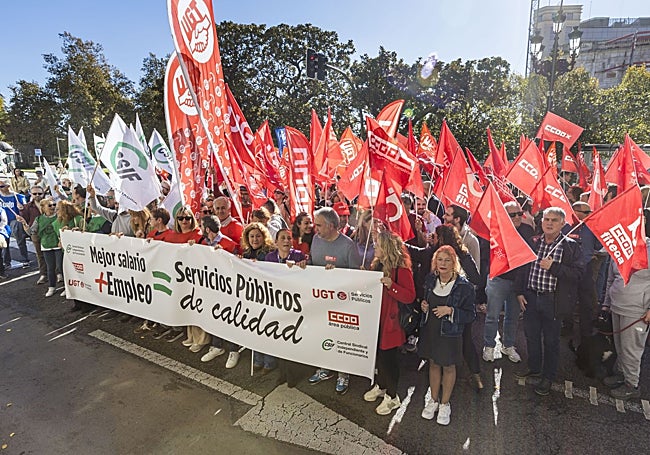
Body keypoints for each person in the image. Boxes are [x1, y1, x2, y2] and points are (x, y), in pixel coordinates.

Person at [514, 207, 583, 396]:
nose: (549, 223)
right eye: (546, 219)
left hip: (552, 301)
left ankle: (548, 377)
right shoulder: (534, 242)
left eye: (554, 220)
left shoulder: (570, 246)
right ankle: (534, 367)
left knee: (551, 341)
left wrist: (554, 267)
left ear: (562, 223)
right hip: (530, 297)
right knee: (531, 337)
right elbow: (522, 267)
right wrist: (519, 292)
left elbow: (577, 275)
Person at [419, 246, 476, 425]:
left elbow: (471, 314)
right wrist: (424, 306)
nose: (442, 264)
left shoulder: (464, 286)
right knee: (434, 364)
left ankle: (445, 403)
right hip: (431, 330)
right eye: (439, 260)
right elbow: (425, 300)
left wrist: (450, 310)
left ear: (454, 263)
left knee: (449, 367)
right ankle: (434, 399)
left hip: (450, 334)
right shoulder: (430, 280)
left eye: (447, 260)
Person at [308, 207, 362, 394]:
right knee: (322, 335)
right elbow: (312, 266)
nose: (316, 229)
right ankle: (324, 368)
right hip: (320, 300)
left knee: (341, 338)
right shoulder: (316, 240)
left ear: (331, 226)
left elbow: (357, 277)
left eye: (319, 225)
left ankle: (343, 373)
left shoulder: (348, 246)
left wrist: (338, 275)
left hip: (342, 303)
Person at [363, 231, 415, 415]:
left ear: (386, 247)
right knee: (380, 357)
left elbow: (409, 296)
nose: (374, 247)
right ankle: (382, 386)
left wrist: (391, 285)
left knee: (389, 359)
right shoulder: (377, 264)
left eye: (377, 245)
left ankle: (393, 397)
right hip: (376, 319)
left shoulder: (401, 268)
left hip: (390, 323)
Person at [483, 201, 534, 364]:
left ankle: (508, 345)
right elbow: (485, 254)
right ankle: (489, 346)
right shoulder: (495, 230)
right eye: (513, 215)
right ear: (504, 217)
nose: (518, 217)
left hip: (518, 282)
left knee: (512, 317)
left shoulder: (527, 230)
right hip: (498, 279)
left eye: (520, 214)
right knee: (492, 315)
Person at [601, 236, 650, 400]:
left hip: (637, 310)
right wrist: (606, 304)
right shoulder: (618, 249)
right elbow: (610, 278)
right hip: (617, 305)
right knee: (620, 346)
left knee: (631, 349)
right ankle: (622, 375)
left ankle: (631, 385)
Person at [265, 228, 307, 387]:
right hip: (276, 302)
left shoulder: (298, 256)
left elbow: (306, 276)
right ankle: (282, 373)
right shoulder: (269, 257)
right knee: (278, 339)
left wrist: (303, 266)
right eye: (282, 238)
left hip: (293, 304)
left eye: (289, 238)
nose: (286, 241)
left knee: (291, 338)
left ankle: (292, 375)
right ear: (276, 242)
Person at [197, 215, 239, 366]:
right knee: (213, 316)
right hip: (210, 286)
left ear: (207, 229)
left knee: (229, 317)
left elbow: (238, 267)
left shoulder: (229, 244)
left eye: (201, 226)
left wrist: (224, 256)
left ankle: (233, 350)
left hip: (227, 289)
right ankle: (217, 346)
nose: (200, 229)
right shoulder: (201, 243)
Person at [20, 185, 48, 283]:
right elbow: (25, 220)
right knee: (40, 255)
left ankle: (57, 273)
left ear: (43, 193)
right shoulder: (27, 206)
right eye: (34, 193)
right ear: (31, 194)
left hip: (49, 232)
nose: (37, 195)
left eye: (39, 193)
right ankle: (43, 274)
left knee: (53, 253)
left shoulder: (50, 203)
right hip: (35, 233)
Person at [443, 204, 480, 272]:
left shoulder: (471, 240)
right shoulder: (443, 234)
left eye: (447, 215)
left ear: (457, 219)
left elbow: (475, 268)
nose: (443, 217)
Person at [0, 178, 29, 265]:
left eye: (1, 186)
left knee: (20, 240)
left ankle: (25, 258)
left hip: (14, 221)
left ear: (8, 186)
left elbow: (25, 210)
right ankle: (6, 261)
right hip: (3, 222)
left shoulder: (18, 197)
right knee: (4, 242)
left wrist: (21, 208)